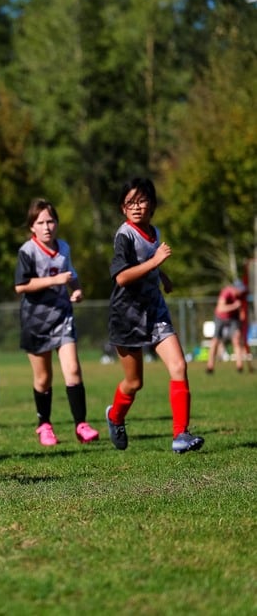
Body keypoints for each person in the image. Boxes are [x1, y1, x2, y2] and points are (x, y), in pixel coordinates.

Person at [105, 177, 204, 454]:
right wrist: (156, 262)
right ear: (123, 209)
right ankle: (115, 417)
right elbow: (123, 276)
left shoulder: (153, 231)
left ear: (152, 204)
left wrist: (164, 276)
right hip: (127, 315)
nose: (136, 207)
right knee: (134, 382)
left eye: (141, 201)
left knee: (179, 366)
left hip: (155, 311)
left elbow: (148, 260)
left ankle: (181, 435)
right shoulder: (124, 235)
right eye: (130, 203)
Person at [14, 199, 99, 446]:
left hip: (63, 316)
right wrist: (55, 281)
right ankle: (44, 425)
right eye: (40, 222)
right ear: (32, 227)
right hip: (36, 321)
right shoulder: (27, 251)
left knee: (72, 370)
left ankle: (81, 425)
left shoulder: (64, 248)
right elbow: (21, 286)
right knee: (43, 379)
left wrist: (77, 290)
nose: (47, 226)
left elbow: (71, 275)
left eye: (50, 220)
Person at [206, 280, 249, 374]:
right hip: (220, 317)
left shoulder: (241, 295)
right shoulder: (226, 293)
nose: (241, 292)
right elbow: (220, 308)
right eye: (240, 290)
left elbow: (242, 310)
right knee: (215, 340)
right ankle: (210, 366)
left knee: (236, 340)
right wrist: (234, 306)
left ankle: (239, 367)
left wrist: (242, 318)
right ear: (234, 288)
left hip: (234, 318)